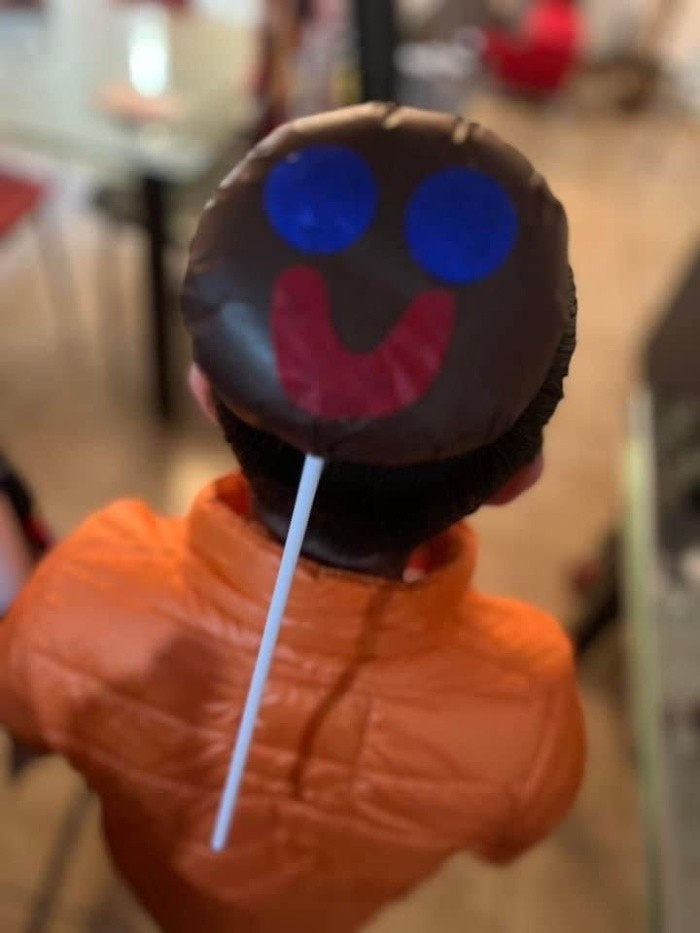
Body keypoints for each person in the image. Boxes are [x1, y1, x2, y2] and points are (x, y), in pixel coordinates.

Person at [0, 105, 585, 933]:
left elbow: (26, 711)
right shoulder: (531, 700)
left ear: (206, 392)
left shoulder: (83, 584)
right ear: (519, 478)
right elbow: (511, 837)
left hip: (151, 882)